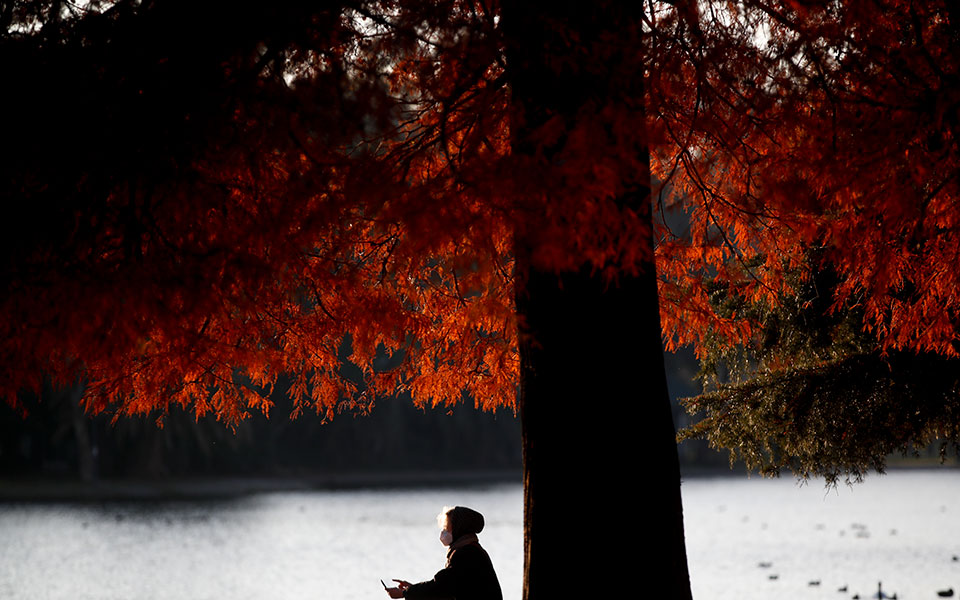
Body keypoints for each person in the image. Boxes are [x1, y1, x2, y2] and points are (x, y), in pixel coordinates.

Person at [385, 506, 502, 600]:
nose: (443, 532)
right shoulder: (469, 548)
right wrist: (413, 589)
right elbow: (447, 588)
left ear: (459, 529)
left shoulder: (467, 553)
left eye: (447, 528)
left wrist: (405, 593)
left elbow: (441, 586)